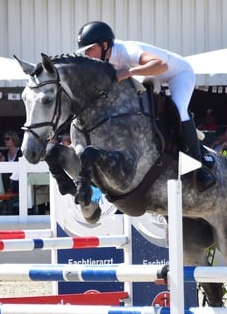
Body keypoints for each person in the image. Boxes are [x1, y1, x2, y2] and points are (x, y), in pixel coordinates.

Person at [76, 20, 215, 190]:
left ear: (104, 44)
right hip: (150, 76)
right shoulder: (104, 61)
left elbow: (160, 65)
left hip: (177, 74)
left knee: (179, 109)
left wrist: (129, 72)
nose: (87, 54)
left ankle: (199, 165)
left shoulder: (126, 51)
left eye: (90, 49)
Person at [0, 130, 23, 194]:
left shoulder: (21, 152)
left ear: (14, 139)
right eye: (5, 139)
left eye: (8, 139)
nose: (5, 141)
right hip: (5, 182)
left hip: (18, 181)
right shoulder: (4, 153)